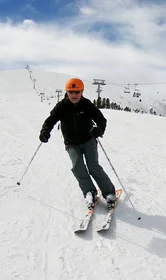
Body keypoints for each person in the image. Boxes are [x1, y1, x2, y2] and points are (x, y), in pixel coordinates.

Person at [38, 77, 116, 208]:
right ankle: (89, 192)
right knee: (77, 167)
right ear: (67, 92)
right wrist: (45, 131)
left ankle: (109, 193)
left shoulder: (87, 105)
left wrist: (99, 129)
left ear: (82, 92)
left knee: (93, 166)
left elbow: (101, 120)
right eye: (71, 92)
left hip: (88, 140)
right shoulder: (62, 107)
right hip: (71, 143)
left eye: (77, 92)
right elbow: (50, 120)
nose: (74, 95)